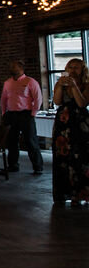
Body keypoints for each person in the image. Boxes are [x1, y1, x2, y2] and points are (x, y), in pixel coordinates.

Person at [51, 58, 89, 203]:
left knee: (79, 157)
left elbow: (82, 103)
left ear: (82, 70)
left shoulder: (86, 85)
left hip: (80, 124)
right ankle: (63, 193)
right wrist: (60, 86)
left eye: (76, 68)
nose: (73, 70)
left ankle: (79, 195)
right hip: (63, 124)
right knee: (62, 158)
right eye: (70, 67)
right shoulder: (61, 83)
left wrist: (74, 86)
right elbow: (57, 101)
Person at [0, 59, 44, 174]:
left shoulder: (30, 81)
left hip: (25, 114)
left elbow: (38, 98)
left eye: (14, 66)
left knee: (30, 140)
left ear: (21, 68)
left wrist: (33, 113)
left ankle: (37, 166)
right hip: (12, 114)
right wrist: (4, 113)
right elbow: (4, 99)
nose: (11, 68)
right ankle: (13, 165)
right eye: (11, 66)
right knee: (11, 141)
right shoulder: (7, 83)